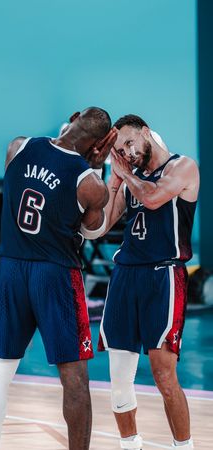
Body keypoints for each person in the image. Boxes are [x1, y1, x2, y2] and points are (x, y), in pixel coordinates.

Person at [0, 107, 118, 450]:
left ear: (74, 117)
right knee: (74, 378)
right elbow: (92, 230)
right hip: (54, 274)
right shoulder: (88, 182)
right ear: (100, 143)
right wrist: (96, 166)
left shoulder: (19, 146)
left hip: (10, 269)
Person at [98, 114, 199, 450]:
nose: (125, 152)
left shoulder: (182, 167)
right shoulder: (129, 176)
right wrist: (114, 182)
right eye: (119, 149)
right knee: (118, 379)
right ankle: (130, 445)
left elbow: (154, 198)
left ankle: (184, 447)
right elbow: (101, 225)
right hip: (126, 275)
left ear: (145, 133)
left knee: (164, 376)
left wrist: (125, 174)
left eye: (128, 143)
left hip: (164, 275)